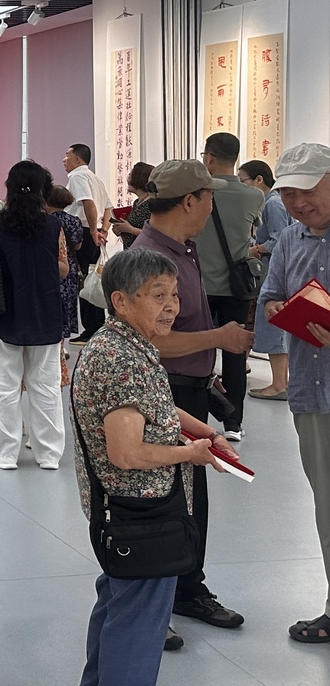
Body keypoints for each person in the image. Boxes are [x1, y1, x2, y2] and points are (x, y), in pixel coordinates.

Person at [72, 248, 236, 686]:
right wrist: (191, 454)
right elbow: (127, 453)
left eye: (175, 295)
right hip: (140, 514)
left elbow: (156, 409)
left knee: (119, 606)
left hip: (129, 512)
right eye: (157, 295)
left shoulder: (124, 345)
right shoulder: (121, 360)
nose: (171, 306)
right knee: (138, 627)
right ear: (121, 301)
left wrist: (206, 432)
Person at [129, 159, 251, 638]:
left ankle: (185, 589)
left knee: (189, 496)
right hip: (163, 392)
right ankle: (155, 602)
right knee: (162, 498)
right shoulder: (149, 258)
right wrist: (218, 338)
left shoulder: (183, 250)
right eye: (209, 197)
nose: (211, 207)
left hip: (188, 388)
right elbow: (151, 341)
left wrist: (206, 368)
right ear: (189, 201)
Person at [259, 143, 330, 644]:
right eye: (288, 194)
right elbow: (270, 295)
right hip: (312, 394)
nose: (298, 202)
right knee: (327, 507)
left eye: (307, 190)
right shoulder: (288, 239)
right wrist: (276, 307)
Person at [0, 160, 69, 470]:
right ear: (44, 190)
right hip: (46, 312)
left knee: (5, 386)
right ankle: (49, 454)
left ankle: (4, 454)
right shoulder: (53, 226)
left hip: (5, 313)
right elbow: (63, 270)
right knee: (46, 386)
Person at [195, 133, 264, 440]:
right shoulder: (254, 196)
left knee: (196, 352)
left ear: (209, 158)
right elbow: (251, 233)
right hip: (237, 287)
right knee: (235, 354)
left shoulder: (197, 193)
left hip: (197, 286)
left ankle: (196, 417)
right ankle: (233, 423)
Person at [239, 158, 291, 400]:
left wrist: (255, 249)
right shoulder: (269, 203)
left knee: (273, 326)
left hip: (273, 270)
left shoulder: (273, 204)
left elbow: (279, 239)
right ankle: (280, 382)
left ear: (259, 180)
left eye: (244, 181)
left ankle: (279, 384)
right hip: (270, 270)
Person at [65, 143, 114, 343]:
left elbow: (88, 203)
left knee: (84, 281)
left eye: (67, 155)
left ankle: (91, 329)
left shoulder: (77, 176)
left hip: (84, 233)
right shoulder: (95, 178)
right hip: (93, 232)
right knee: (93, 279)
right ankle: (97, 325)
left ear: (78, 159)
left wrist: (93, 231)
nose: (64, 159)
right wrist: (103, 230)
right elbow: (109, 208)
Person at [46, 185, 88, 343]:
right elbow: (78, 245)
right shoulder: (74, 221)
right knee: (68, 303)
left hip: (52, 265)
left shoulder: (47, 221)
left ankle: (54, 340)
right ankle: (63, 341)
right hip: (69, 266)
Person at [113, 162, 155, 249]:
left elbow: (155, 234)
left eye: (131, 176)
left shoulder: (151, 204)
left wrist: (131, 229)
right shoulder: (137, 202)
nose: (128, 179)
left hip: (144, 251)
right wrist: (121, 229)